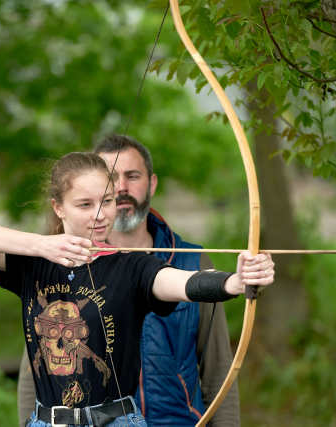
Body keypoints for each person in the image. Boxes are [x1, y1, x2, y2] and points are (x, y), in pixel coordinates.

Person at [0, 152, 275, 426]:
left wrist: (234, 281)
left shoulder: (132, 267)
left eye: (108, 201)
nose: (100, 216)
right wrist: (41, 246)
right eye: (85, 205)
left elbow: (182, 283)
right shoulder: (31, 262)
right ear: (59, 207)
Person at [19, 136, 242, 426]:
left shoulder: (193, 261)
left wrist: (235, 281)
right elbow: (35, 369)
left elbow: (218, 368)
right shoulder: (65, 263)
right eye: (112, 178)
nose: (122, 187)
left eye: (132, 176)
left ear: (151, 183)